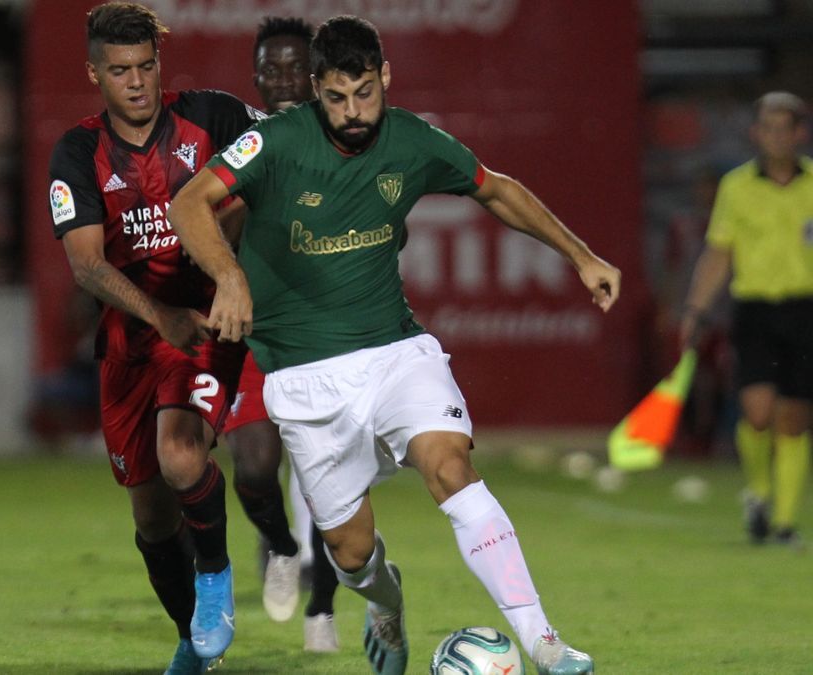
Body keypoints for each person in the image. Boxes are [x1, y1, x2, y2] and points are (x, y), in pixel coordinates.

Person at [169, 15, 616, 675]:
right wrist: (229, 276)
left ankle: (544, 641)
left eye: (366, 93)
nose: (353, 112)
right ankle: (387, 603)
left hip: (396, 355)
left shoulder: (412, 139)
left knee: (451, 467)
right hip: (302, 381)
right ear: (318, 89)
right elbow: (189, 203)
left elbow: (497, 189)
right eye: (337, 97)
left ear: (385, 79)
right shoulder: (275, 142)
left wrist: (579, 256)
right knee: (351, 554)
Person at [46, 3, 264, 671]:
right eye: (119, 71)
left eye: (146, 66)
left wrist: (236, 266)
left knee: (179, 456)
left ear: (159, 64)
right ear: (94, 74)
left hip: (201, 322)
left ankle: (218, 575)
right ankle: (195, 642)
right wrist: (154, 314)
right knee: (151, 517)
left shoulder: (215, 119)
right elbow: (86, 263)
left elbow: (278, 171)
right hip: (130, 341)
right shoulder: (78, 151)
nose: (137, 83)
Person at [220, 14, 340, 653]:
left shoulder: (345, 135)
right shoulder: (239, 143)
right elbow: (210, 220)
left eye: (298, 67)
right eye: (273, 68)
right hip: (255, 330)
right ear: (257, 78)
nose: (286, 79)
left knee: (325, 476)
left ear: (318, 75)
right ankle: (282, 545)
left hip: (326, 330)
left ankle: (323, 609)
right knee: (257, 468)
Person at [680, 91, 813, 548]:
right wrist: (696, 309)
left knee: (793, 419)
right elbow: (719, 253)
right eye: (767, 127)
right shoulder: (737, 187)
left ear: (800, 132)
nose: (776, 136)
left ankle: (785, 523)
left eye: (785, 127)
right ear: (756, 133)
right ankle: (758, 491)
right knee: (757, 414)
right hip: (754, 309)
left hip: (805, 309)